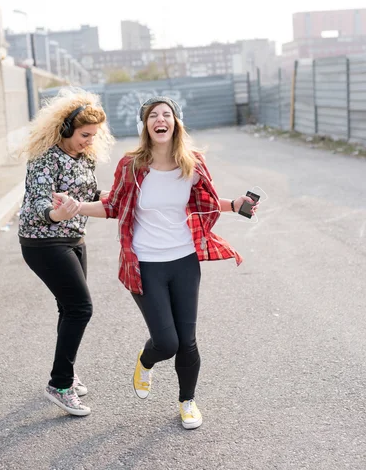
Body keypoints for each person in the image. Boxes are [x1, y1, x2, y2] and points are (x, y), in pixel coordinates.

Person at [53, 96, 258, 428]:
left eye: (167, 114)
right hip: (145, 264)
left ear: (175, 122)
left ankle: (187, 402)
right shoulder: (132, 165)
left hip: (184, 261)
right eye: (153, 116)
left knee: (187, 341)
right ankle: (146, 361)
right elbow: (113, 206)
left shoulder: (192, 163)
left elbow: (204, 201)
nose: (160, 120)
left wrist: (235, 204)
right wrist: (76, 206)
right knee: (166, 342)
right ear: (145, 125)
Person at [18, 88, 114, 417]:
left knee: (68, 308)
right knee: (80, 308)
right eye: (85, 135)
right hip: (43, 241)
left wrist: (111, 195)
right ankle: (59, 385)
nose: (90, 141)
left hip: (74, 237)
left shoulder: (84, 157)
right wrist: (56, 214)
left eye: (94, 136)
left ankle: (66, 374)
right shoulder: (45, 157)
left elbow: (88, 192)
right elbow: (39, 201)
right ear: (66, 128)